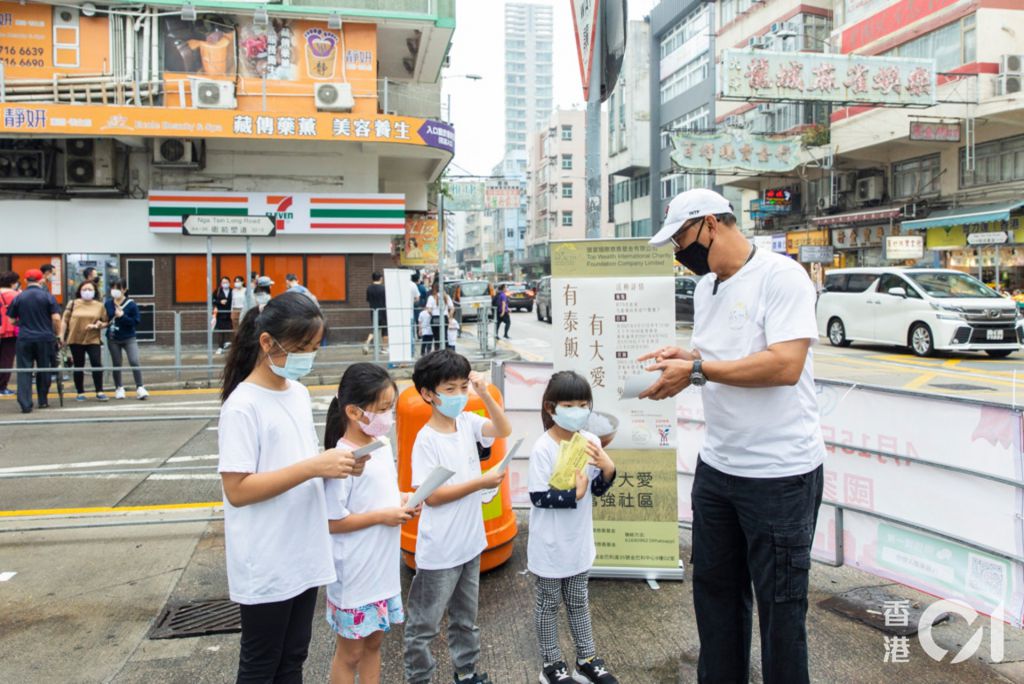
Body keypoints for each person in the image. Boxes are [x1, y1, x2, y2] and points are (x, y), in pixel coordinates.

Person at [638, 188, 825, 684]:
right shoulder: (707, 289)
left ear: (711, 225)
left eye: (681, 240)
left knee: (782, 612)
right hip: (719, 468)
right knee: (716, 600)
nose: (681, 255)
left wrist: (697, 370)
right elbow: (713, 356)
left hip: (779, 474)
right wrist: (684, 357)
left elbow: (785, 365)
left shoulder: (782, 277)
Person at [218, 290, 360, 683]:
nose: (308, 356)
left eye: (314, 347)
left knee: (294, 657)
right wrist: (314, 465)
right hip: (266, 558)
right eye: (302, 347)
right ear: (267, 342)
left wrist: (335, 467)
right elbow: (238, 489)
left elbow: (297, 464)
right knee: (262, 664)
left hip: (303, 549)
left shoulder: (296, 393)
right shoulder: (242, 406)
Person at [403, 350, 511, 684]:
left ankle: (467, 672)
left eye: (463, 387)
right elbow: (431, 497)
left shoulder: (467, 422)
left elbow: (502, 428)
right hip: (440, 552)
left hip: (470, 543)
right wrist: (480, 481)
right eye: (450, 389)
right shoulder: (426, 440)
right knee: (423, 626)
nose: (459, 395)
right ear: (428, 394)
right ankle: (419, 678)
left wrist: (483, 393)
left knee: (466, 619)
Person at [323, 363, 415, 684]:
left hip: (381, 567)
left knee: (375, 644)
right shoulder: (342, 457)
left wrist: (403, 500)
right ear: (353, 411)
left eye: (391, 408)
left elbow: (380, 493)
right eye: (382, 409)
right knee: (350, 654)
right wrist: (383, 516)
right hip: (355, 572)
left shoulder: (381, 445)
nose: (387, 417)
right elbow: (333, 521)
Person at [529, 371, 619, 684]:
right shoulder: (543, 447)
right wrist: (574, 494)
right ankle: (551, 664)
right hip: (550, 545)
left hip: (578, 541)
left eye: (583, 404)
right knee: (548, 604)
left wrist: (608, 469)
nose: (578, 410)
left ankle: (586, 659)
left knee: (579, 600)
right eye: (569, 404)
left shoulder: (590, 441)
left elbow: (597, 489)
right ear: (551, 407)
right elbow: (538, 496)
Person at [7, 269, 60, 413]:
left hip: (25, 338)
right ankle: (42, 401)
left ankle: (25, 403)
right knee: (44, 369)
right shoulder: (48, 297)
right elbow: (56, 318)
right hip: (45, 338)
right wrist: (57, 334)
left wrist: (23, 324)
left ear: (25, 280)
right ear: (41, 280)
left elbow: (11, 320)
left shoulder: (19, 297)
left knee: (24, 370)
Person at [61, 280, 110, 402]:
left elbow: (106, 321)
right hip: (75, 339)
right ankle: (80, 392)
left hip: (93, 338)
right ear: (79, 291)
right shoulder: (73, 303)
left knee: (96, 363)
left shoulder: (99, 305)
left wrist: (98, 325)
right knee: (79, 365)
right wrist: (61, 336)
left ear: (95, 291)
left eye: (90, 289)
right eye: (84, 289)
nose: (87, 292)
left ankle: (99, 391)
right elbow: (64, 320)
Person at [104, 279, 148, 401]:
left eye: (118, 288)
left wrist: (123, 316)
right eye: (113, 287)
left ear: (124, 289)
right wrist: (99, 324)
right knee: (117, 363)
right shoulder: (108, 303)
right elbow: (106, 319)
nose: (115, 290)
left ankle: (140, 387)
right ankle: (119, 388)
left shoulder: (131, 304)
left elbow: (135, 322)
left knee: (134, 360)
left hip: (129, 337)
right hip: (113, 338)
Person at [0, 271, 21, 396]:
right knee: (6, 359)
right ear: (13, 282)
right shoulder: (15, 295)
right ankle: (2, 387)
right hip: (9, 330)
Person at [364, 272, 387, 356]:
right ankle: (384, 348)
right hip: (383, 311)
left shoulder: (369, 288)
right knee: (385, 330)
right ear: (380, 278)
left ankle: (367, 342)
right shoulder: (384, 288)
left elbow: (368, 300)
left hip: (373, 311)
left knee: (375, 329)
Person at [213, 276, 235, 354]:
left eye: (226, 282)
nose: (225, 284)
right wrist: (220, 302)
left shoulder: (233, 291)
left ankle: (229, 343)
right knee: (220, 331)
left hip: (230, 313)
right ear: (221, 284)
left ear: (229, 283)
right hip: (221, 314)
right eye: (223, 282)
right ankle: (220, 347)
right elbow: (213, 300)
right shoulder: (217, 291)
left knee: (230, 329)